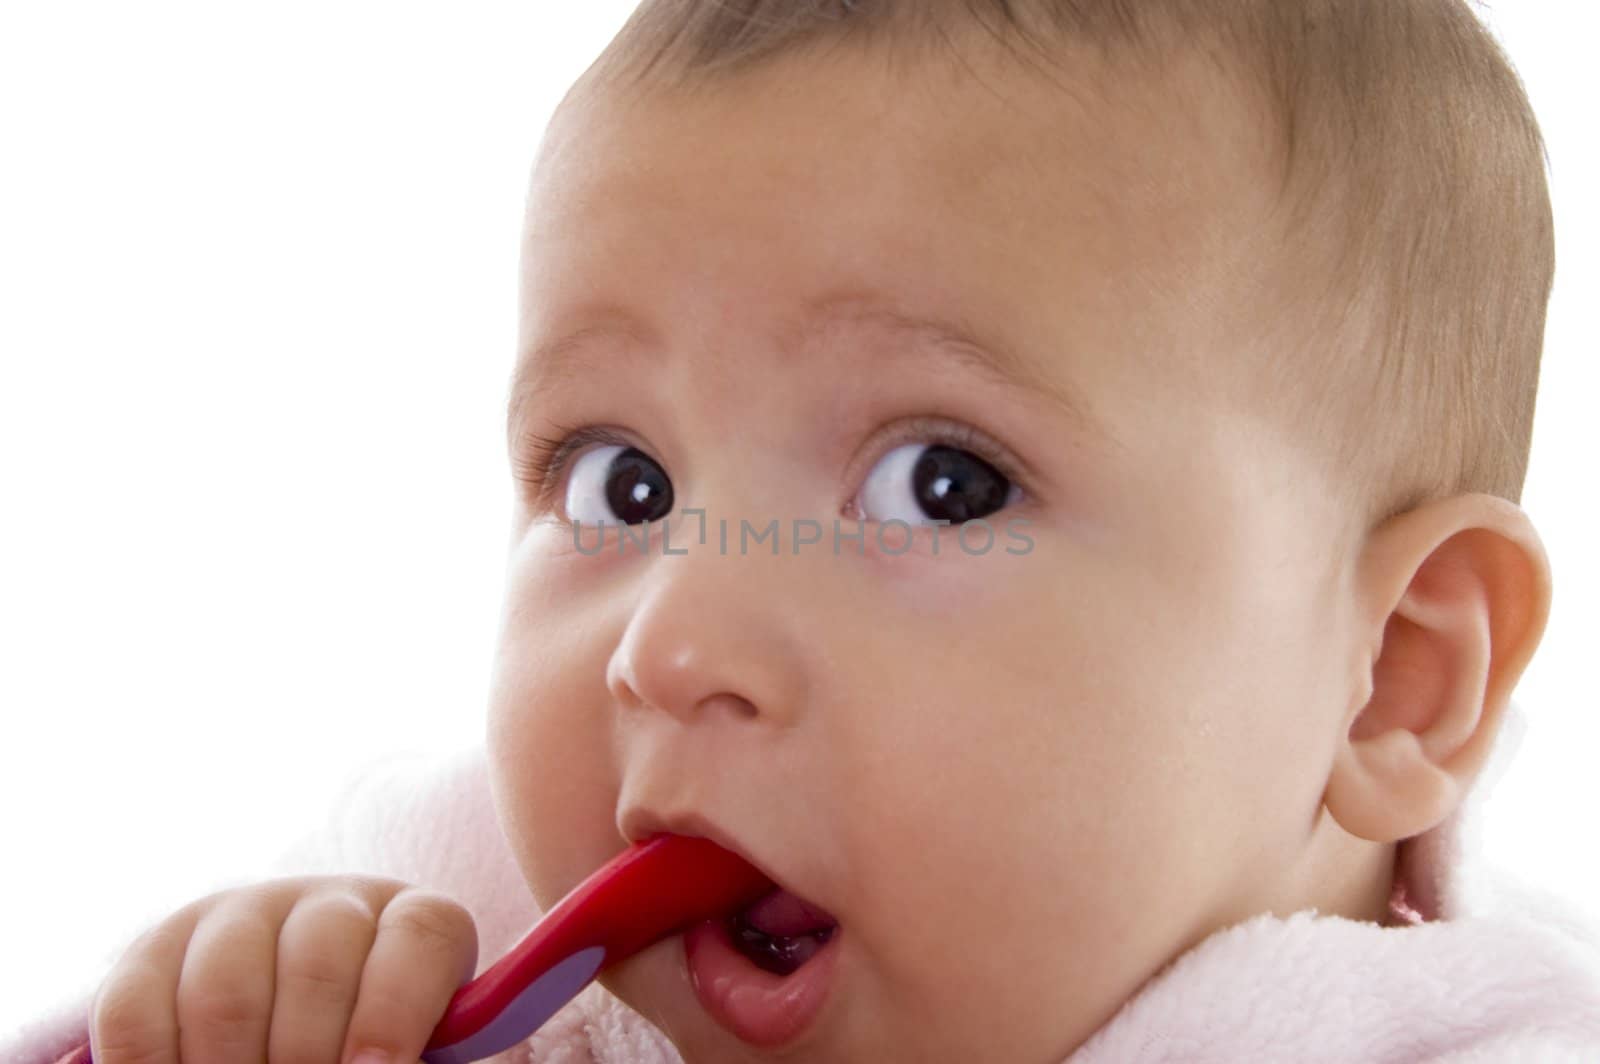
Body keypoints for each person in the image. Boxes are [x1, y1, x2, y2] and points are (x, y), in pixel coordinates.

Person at [14, 0, 1600, 1060]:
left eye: (941, 484)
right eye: (619, 484)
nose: (670, 642)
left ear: (1389, 675)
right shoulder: (453, 939)